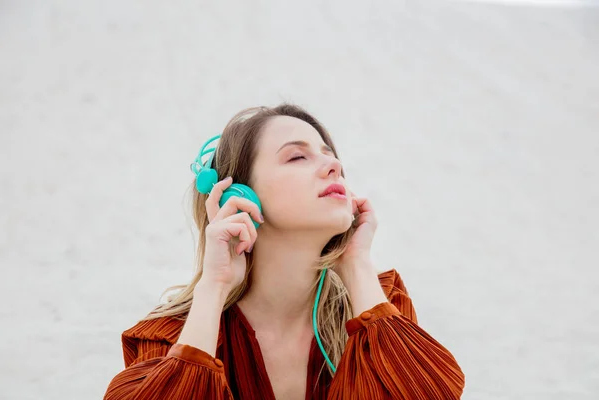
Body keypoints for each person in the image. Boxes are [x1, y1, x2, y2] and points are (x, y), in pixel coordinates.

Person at [103, 104, 465, 400]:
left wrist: (356, 264)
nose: (334, 166)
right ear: (240, 197)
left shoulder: (378, 306)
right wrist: (213, 288)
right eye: (296, 157)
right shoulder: (172, 334)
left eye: (331, 157)